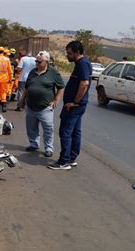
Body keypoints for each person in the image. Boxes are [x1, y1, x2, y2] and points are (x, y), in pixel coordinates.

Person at [48, 41, 92, 170]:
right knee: (75, 132)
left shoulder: (82, 64)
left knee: (65, 132)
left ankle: (64, 161)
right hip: (76, 106)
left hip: (74, 106)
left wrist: (75, 102)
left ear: (77, 52)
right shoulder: (81, 63)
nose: (67, 56)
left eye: (69, 53)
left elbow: (84, 84)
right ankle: (71, 158)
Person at [20, 51, 65, 157]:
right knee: (31, 127)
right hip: (31, 106)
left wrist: (56, 100)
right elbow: (27, 88)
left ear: (46, 62)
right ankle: (34, 143)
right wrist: (22, 101)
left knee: (48, 128)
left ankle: (49, 148)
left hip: (45, 108)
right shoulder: (32, 72)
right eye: (36, 61)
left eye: (39, 62)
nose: (37, 63)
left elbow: (61, 87)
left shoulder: (53, 73)